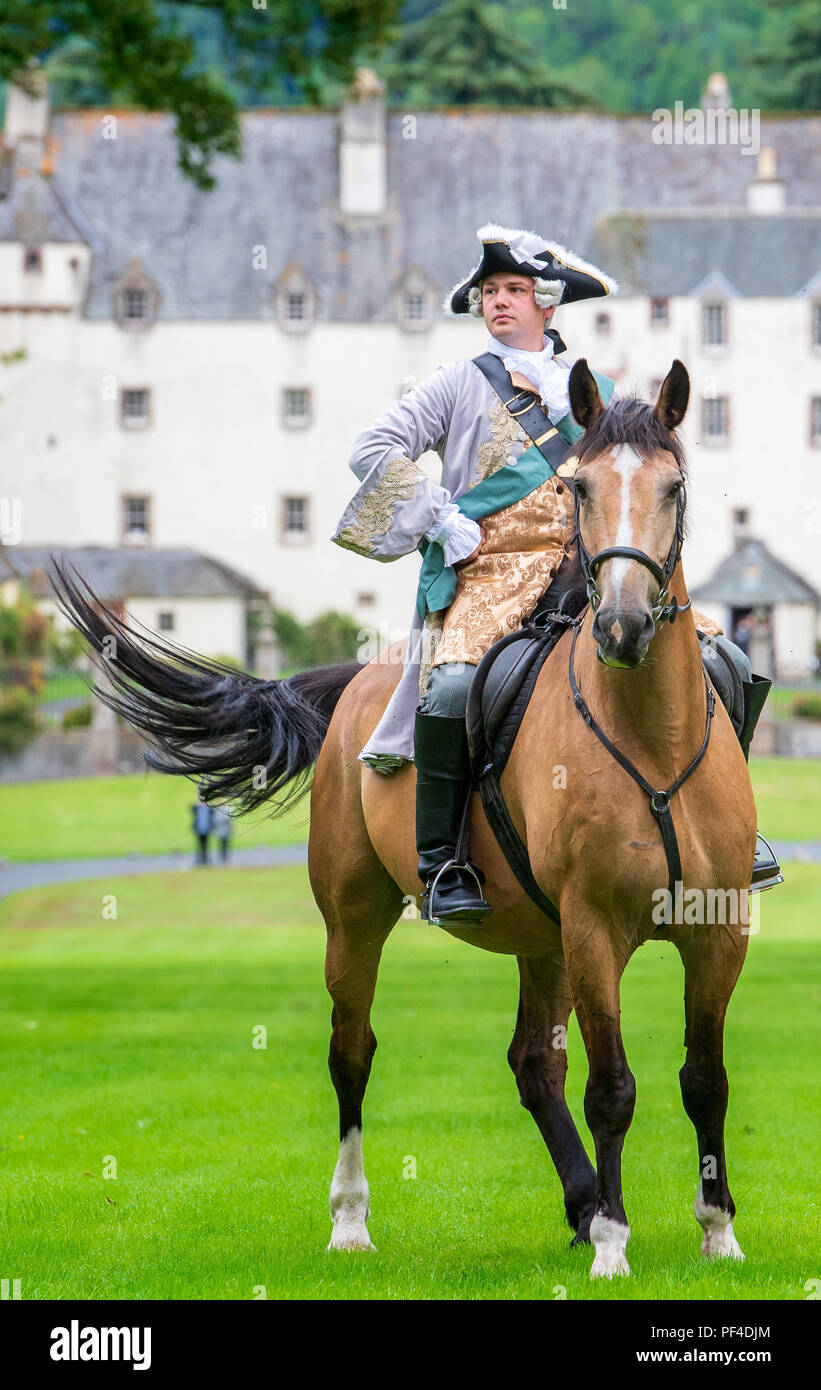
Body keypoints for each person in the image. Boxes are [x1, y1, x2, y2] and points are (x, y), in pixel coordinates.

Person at [331, 223, 778, 925]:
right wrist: (438, 516)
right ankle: (442, 862)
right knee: (448, 687)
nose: (497, 302)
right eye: (488, 292)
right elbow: (371, 447)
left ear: (546, 302)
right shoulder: (455, 384)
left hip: (593, 574)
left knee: (726, 659)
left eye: (512, 290)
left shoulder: (594, 390)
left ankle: (732, 834)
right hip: (491, 573)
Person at [192, 789, 213, 866]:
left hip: (207, 829)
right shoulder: (197, 808)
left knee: (206, 845)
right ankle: (199, 859)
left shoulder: (209, 809)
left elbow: (212, 812)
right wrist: (197, 803)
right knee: (198, 845)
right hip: (199, 829)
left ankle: (206, 859)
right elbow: (192, 808)